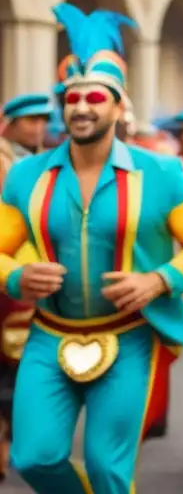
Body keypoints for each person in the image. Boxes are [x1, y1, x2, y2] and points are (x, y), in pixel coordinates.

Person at [0, 3, 183, 494]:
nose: (81, 107)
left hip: (128, 338)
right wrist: (16, 276)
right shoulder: (25, 176)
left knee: (108, 468)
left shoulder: (160, 173)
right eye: (72, 97)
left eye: (95, 96)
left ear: (119, 105)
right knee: (34, 458)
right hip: (49, 334)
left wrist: (159, 279)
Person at [0, 93, 50, 478]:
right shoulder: (7, 163)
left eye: (42, 120)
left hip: (32, 274)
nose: (38, 127)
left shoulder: (42, 164)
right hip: (7, 272)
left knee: (24, 358)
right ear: (10, 124)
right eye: (29, 121)